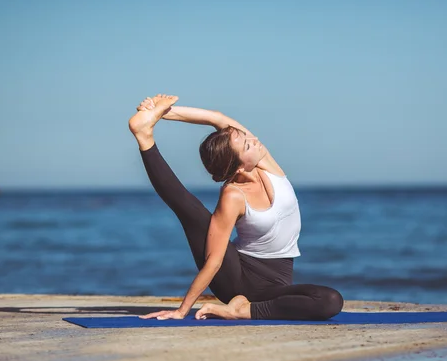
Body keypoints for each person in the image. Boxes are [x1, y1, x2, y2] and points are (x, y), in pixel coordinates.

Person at [128, 94, 343, 321]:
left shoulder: (267, 166)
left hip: (275, 282)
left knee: (330, 300)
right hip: (236, 278)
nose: (255, 139)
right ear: (239, 166)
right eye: (247, 143)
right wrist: (182, 310)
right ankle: (145, 138)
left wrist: (160, 113)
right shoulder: (233, 196)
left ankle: (243, 309)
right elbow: (214, 261)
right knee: (190, 210)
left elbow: (218, 119)